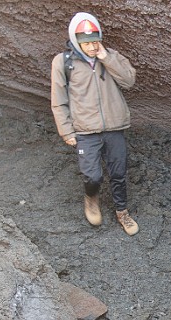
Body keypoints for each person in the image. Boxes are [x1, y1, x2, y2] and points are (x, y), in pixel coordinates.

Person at [50, 12, 139, 236]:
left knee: (118, 172)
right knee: (93, 176)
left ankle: (122, 211)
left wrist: (105, 57)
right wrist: (66, 131)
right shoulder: (63, 62)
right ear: (75, 41)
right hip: (85, 130)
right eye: (86, 43)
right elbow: (58, 101)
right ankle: (91, 198)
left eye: (95, 41)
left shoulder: (110, 56)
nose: (91, 47)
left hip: (114, 126)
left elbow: (129, 81)